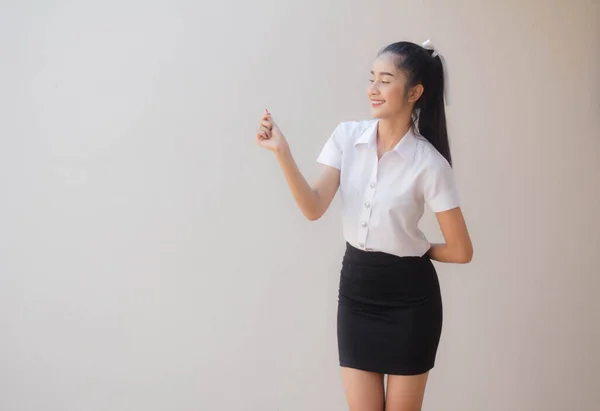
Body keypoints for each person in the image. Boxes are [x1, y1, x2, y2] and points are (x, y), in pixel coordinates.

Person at [255, 40, 473, 411]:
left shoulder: (430, 164)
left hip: (411, 303)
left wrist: (415, 248)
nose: (373, 88)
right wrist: (282, 152)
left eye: (385, 80)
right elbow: (313, 207)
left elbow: (461, 250)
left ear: (414, 92)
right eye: (372, 78)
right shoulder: (346, 137)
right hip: (357, 294)